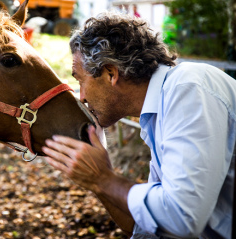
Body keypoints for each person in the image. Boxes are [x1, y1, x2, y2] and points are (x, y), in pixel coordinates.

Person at [42, 11, 235, 239]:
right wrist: (96, 181)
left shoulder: (189, 88)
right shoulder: (157, 115)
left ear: (110, 73)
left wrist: (103, 179)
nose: (82, 97)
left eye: (80, 81)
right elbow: (148, 227)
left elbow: (182, 217)